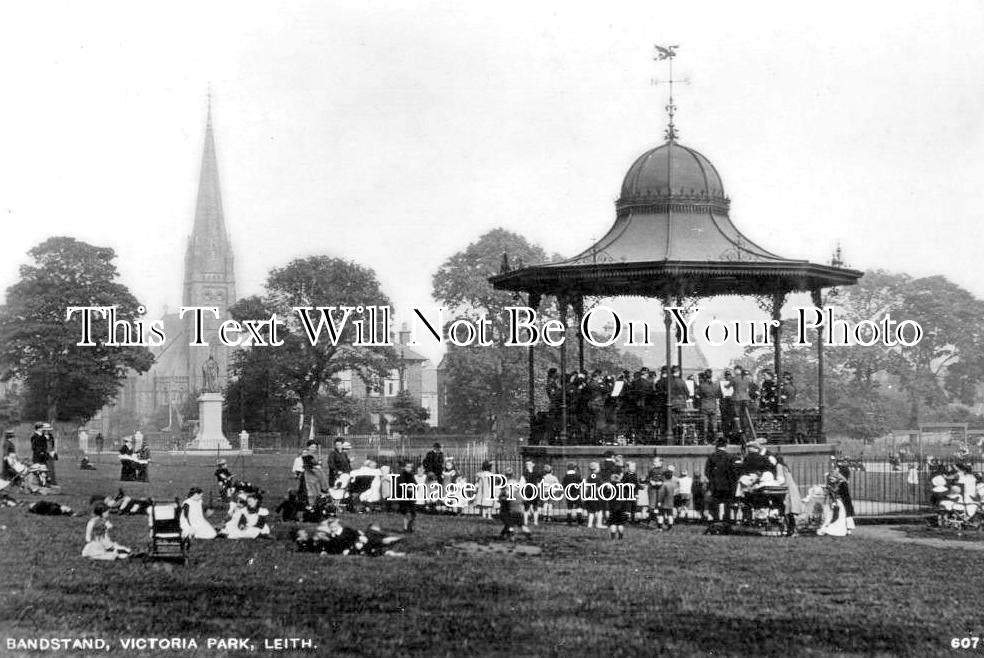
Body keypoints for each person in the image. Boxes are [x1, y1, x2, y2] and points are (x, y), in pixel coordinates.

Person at [705, 438, 735, 521]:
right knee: (727, 504)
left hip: (715, 485)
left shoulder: (711, 457)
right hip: (727, 485)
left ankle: (716, 519)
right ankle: (727, 519)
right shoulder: (730, 457)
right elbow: (733, 472)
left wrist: (712, 480)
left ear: (716, 446)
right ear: (726, 445)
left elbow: (707, 472)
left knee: (716, 503)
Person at [394, 461, 418, 532]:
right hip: (403, 497)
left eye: (411, 467)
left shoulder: (411, 475)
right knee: (406, 513)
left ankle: (410, 526)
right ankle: (405, 527)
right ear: (404, 467)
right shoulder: (401, 475)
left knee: (413, 513)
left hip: (411, 497)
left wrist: (413, 488)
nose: (409, 468)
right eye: (408, 467)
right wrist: (407, 488)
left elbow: (415, 484)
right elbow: (399, 485)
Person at [606, 472, 630, 540]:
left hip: (612, 507)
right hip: (622, 507)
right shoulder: (623, 488)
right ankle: (620, 537)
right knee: (620, 523)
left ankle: (613, 537)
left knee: (613, 523)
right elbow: (627, 499)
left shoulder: (609, 488)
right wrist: (627, 510)